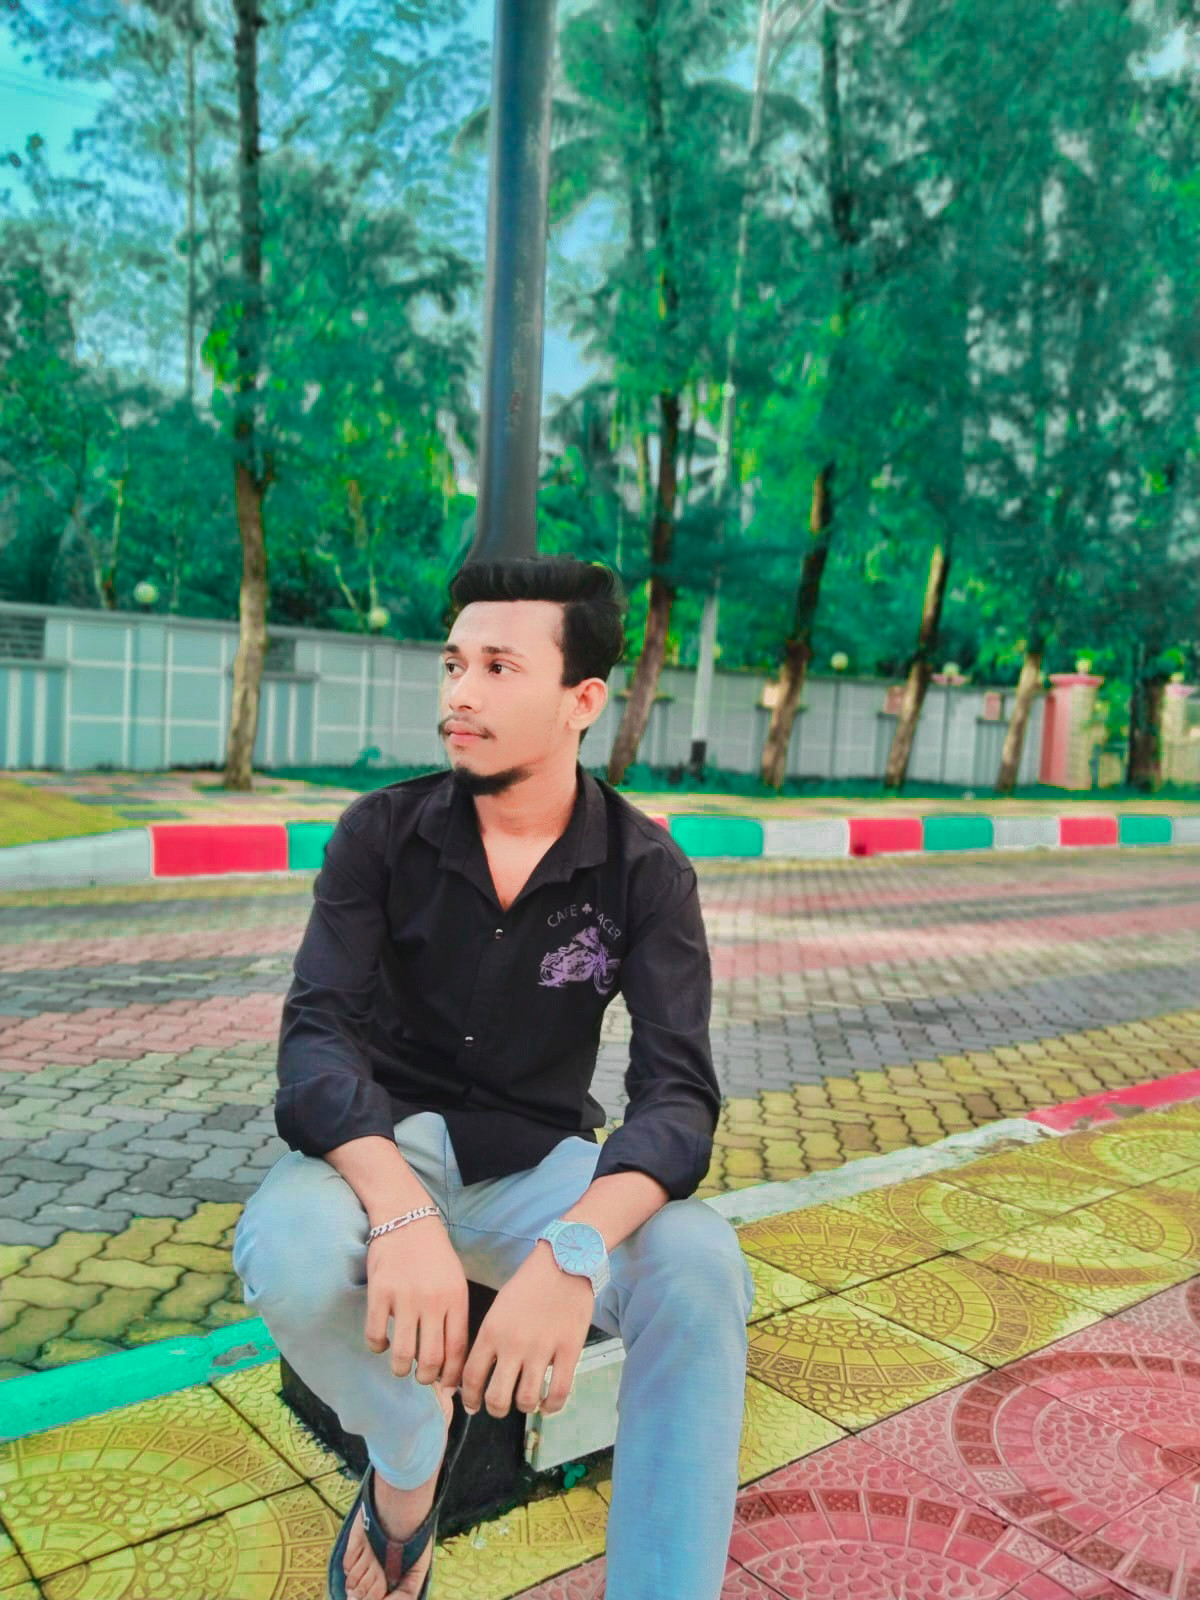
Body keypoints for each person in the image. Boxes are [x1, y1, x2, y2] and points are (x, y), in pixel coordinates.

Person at [232, 556, 755, 1600]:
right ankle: (409, 1450)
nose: (459, 694)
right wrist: (398, 1210)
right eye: (453, 663)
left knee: (701, 1265)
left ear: (581, 701)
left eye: (499, 667)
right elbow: (317, 1039)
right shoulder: (380, 834)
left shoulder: (646, 871)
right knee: (286, 1249)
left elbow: (679, 1098)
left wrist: (573, 1248)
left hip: (535, 1169)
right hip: (383, 1149)